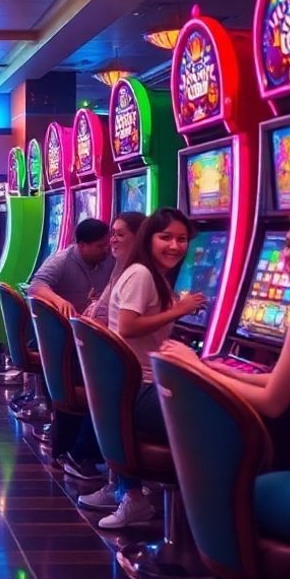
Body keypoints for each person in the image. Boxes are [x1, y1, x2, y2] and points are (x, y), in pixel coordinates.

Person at [158, 207, 290, 547]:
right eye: (287, 245)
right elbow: (279, 380)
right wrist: (218, 368)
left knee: (218, 492)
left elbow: (273, 402)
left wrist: (197, 367)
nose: (288, 255)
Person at [84, 207, 206, 529]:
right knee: (220, 415)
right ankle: (205, 513)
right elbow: (128, 326)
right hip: (141, 388)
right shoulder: (141, 274)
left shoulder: (145, 272)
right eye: (165, 237)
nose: (175, 246)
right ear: (148, 238)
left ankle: (131, 493)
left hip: (127, 385)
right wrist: (178, 310)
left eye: (182, 239)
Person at [59, 211, 145, 482]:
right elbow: (121, 320)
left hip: (102, 352)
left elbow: (108, 310)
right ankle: (106, 468)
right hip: (109, 356)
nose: (112, 243)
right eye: (112, 235)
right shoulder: (132, 271)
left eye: (119, 235)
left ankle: (91, 459)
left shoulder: (124, 268)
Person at [26, 218, 113, 461]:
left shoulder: (111, 260)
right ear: (82, 245)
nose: (107, 250)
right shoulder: (62, 260)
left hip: (94, 333)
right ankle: (80, 453)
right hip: (66, 339)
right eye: (100, 246)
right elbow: (36, 286)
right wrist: (59, 300)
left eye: (109, 244)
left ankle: (89, 451)